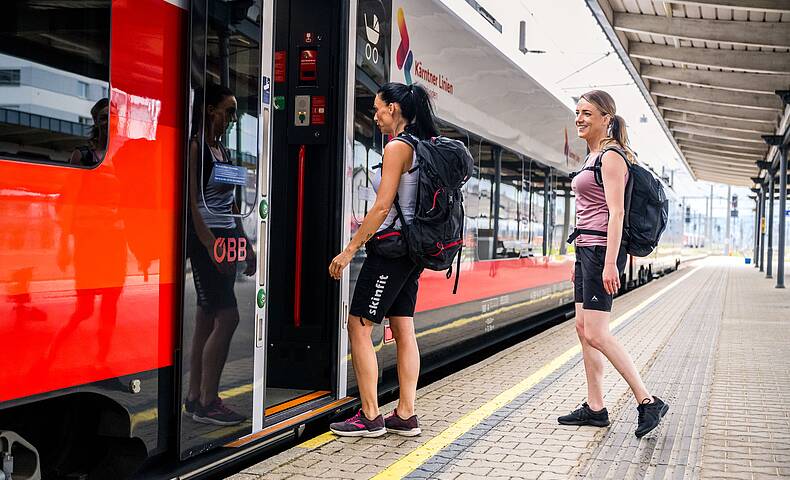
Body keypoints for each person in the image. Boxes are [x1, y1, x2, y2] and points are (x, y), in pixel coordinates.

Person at [327, 82, 438, 437]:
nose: (374, 116)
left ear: (394, 109)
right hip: (412, 252)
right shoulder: (423, 146)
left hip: (390, 250)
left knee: (359, 325)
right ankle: (405, 414)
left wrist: (349, 250)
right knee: (404, 328)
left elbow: (381, 206)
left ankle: (370, 416)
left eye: (378, 109)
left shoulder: (398, 148)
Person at [559, 90, 668, 438]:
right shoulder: (593, 155)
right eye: (577, 112)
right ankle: (595, 407)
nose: (579, 118)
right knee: (583, 329)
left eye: (587, 113)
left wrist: (610, 264)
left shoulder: (611, 157)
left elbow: (617, 212)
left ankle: (647, 401)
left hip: (600, 251)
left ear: (606, 118)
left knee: (597, 332)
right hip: (586, 248)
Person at [184, 83, 255, 426]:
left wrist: (247, 244)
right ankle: (210, 400)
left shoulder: (223, 151)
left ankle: (195, 396)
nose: (231, 118)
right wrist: (209, 242)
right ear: (210, 111)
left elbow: (231, 205)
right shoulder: (197, 148)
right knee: (229, 318)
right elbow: (193, 203)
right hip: (209, 240)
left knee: (205, 319)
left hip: (227, 237)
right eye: (227, 111)